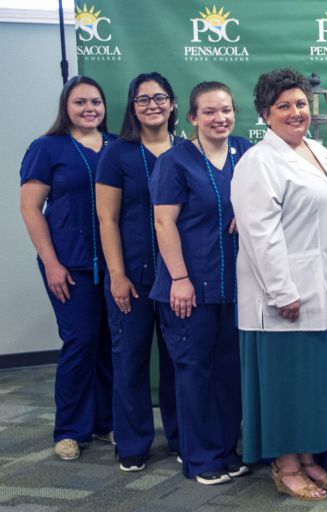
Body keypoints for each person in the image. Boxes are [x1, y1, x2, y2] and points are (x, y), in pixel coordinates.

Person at [231, 68, 327, 502]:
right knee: (288, 382)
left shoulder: (318, 151)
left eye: (301, 104)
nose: (296, 113)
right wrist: (282, 291)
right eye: (284, 106)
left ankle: (309, 457)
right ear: (264, 114)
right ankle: (286, 465)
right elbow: (259, 234)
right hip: (286, 295)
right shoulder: (258, 160)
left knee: (314, 381)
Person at [149, 81, 250, 485]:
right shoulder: (175, 162)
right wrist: (180, 278)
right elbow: (163, 222)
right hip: (188, 287)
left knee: (229, 373)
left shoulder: (245, 151)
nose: (219, 118)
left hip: (236, 287)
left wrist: (249, 210)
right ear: (192, 117)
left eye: (225, 110)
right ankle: (201, 458)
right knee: (195, 373)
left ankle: (227, 450)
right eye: (209, 111)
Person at [19, 76, 114, 461]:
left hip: (114, 266)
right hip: (68, 266)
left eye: (95, 101)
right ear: (66, 108)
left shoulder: (116, 147)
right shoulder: (47, 147)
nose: (89, 108)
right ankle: (70, 429)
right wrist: (51, 262)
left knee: (110, 344)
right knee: (81, 341)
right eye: (80, 103)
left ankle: (105, 421)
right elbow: (30, 208)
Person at [95, 72, 180, 472]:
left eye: (159, 97)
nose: (152, 105)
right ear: (132, 107)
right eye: (143, 99)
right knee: (129, 359)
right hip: (132, 275)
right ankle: (132, 443)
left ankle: (184, 437)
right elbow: (107, 219)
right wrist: (116, 275)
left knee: (179, 361)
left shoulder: (186, 151)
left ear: (173, 104)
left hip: (180, 278)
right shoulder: (118, 154)